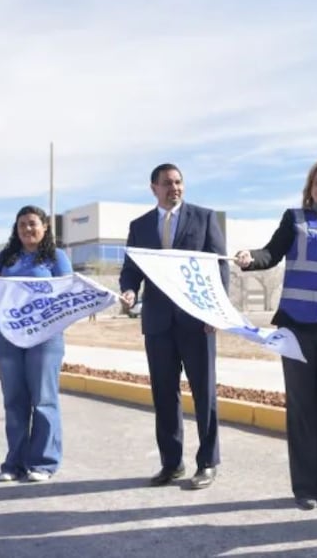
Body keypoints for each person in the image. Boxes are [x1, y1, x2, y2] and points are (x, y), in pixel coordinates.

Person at [233, 160, 317, 511]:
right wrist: (250, 259)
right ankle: (306, 486)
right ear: (310, 190)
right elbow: (271, 254)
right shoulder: (295, 220)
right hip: (297, 327)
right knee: (303, 408)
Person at [119, 163, 228, 490]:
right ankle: (171, 464)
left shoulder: (204, 218)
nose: (174, 188)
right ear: (154, 188)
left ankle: (208, 463)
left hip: (197, 322)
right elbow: (131, 268)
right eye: (167, 183)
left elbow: (218, 267)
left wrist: (215, 312)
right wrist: (128, 290)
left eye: (179, 182)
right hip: (157, 323)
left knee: (204, 393)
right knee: (164, 395)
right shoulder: (139, 226)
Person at [0, 205, 72, 483]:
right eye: (22, 224)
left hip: (45, 338)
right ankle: (15, 462)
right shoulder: (5, 257)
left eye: (33, 223)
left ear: (45, 227)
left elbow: (69, 293)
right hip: (9, 337)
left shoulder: (56, 258)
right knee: (14, 400)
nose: (27, 229)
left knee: (44, 399)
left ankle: (44, 463)